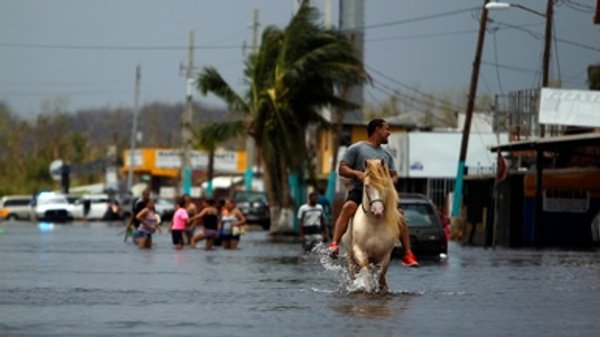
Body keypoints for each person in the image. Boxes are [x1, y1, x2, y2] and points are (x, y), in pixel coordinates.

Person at [328, 118, 419, 267]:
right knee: (347, 207)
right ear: (377, 130)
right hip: (362, 189)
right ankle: (335, 244)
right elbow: (342, 168)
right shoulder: (357, 148)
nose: (389, 133)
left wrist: (390, 181)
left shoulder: (387, 155)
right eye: (386, 129)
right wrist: (358, 174)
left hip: (383, 193)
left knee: (400, 215)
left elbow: (394, 174)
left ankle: (407, 253)